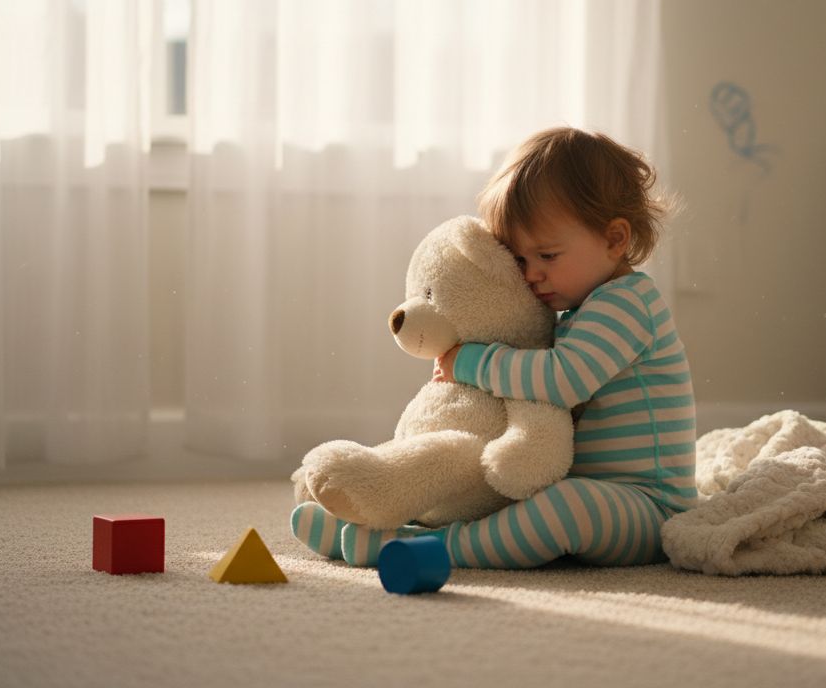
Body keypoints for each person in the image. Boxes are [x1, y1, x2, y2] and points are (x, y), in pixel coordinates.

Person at [293, 127, 695, 568]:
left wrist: (471, 361)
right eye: (520, 260)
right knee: (500, 494)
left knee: (566, 508)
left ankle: (441, 547)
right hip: (601, 494)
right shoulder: (578, 310)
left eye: (547, 256)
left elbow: (560, 380)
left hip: (647, 507)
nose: (532, 275)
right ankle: (388, 525)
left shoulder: (629, 303)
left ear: (615, 239)